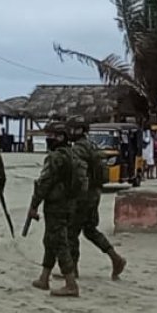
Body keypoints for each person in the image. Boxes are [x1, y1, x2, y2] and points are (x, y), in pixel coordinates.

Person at [27, 121, 85, 298]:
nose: (48, 139)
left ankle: (70, 284)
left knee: (59, 243)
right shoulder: (73, 155)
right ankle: (44, 277)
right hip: (70, 204)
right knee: (50, 241)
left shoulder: (55, 158)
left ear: (60, 137)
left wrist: (34, 205)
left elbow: (44, 183)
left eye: (50, 136)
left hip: (56, 205)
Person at [66, 117, 127, 280]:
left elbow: (79, 176)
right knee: (90, 230)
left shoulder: (78, 149)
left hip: (83, 196)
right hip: (95, 194)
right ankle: (115, 258)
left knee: (71, 233)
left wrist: (73, 195)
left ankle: (72, 270)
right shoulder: (93, 146)